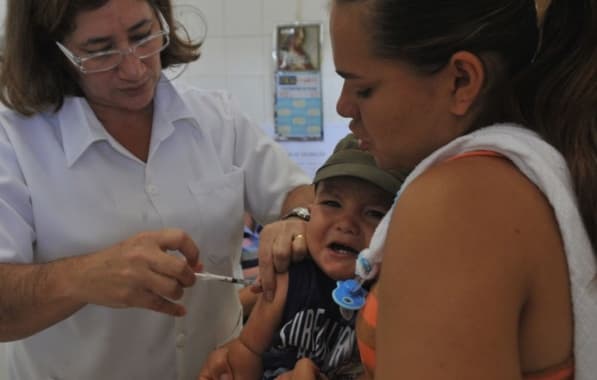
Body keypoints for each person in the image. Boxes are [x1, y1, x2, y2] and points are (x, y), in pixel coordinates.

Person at [0, 1, 313, 379]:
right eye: (100, 50)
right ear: (53, 52)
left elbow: (301, 196)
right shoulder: (14, 141)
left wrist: (297, 219)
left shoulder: (218, 119)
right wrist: (81, 277)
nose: (134, 68)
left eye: (142, 35)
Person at [329, 0, 596, 379]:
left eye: (363, 88)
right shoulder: (517, 176)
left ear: (461, 81)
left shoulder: (457, 205)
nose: (344, 107)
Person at [199, 133, 407, 380]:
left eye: (373, 213)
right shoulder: (289, 278)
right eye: (332, 203)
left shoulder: (389, 297)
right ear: (308, 213)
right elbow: (247, 349)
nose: (346, 224)